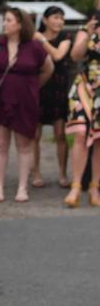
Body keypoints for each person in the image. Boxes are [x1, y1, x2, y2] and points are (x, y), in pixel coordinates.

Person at [0, 8, 53, 203]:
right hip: (0, 100)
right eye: (4, 20)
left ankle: (22, 188)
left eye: (8, 20)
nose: (5, 24)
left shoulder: (34, 47)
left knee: (24, 145)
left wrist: (34, 87)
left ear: (20, 24)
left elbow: (48, 68)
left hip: (26, 101)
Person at [62, 12, 100, 208]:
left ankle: (94, 186)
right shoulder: (87, 30)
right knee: (80, 133)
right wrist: (88, 34)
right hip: (85, 87)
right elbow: (75, 55)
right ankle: (76, 186)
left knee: (99, 139)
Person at [32, 5, 71, 188]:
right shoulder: (34, 38)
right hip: (39, 87)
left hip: (59, 89)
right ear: (45, 20)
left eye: (61, 18)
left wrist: (42, 41)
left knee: (60, 134)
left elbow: (57, 55)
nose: (59, 21)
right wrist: (38, 39)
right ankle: (36, 172)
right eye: (55, 17)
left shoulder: (65, 38)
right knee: (35, 135)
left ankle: (63, 173)